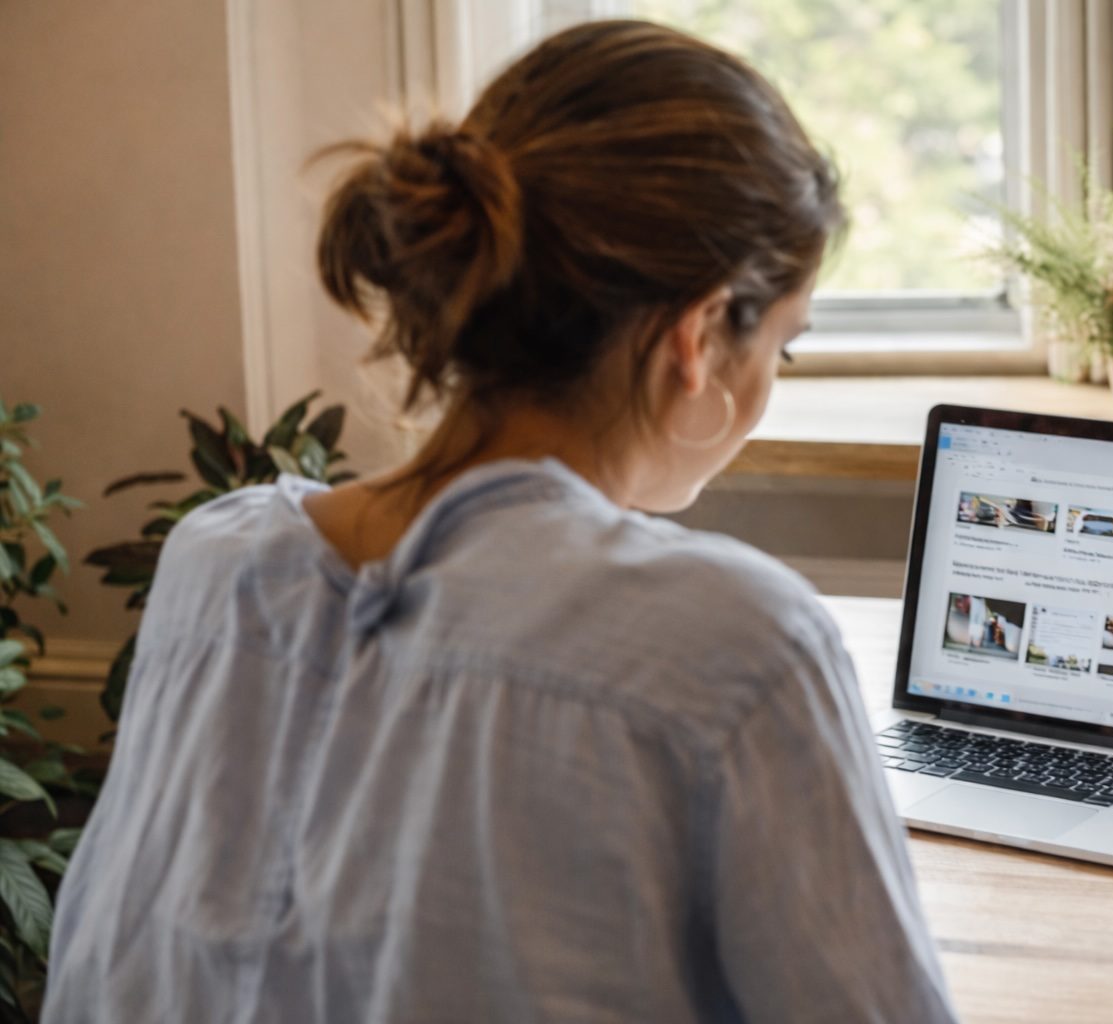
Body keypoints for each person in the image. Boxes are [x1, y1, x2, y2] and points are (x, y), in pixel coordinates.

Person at [45, 20, 956, 1024]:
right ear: (697, 337)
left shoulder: (215, 562)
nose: (771, 384)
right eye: (784, 348)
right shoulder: (735, 649)